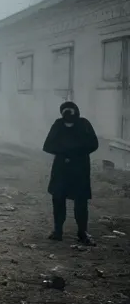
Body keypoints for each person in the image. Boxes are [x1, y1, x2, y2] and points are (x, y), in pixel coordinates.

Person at [43, 101, 99, 245]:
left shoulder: (84, 124)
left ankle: (82, 233)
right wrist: (64, 152)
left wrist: (76, 152)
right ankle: (57, 231)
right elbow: (48, 145)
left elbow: (93, 144)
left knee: (81, 201)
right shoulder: (58, 125)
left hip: (80, 168)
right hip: (61, 168)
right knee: (58, 199)